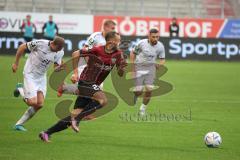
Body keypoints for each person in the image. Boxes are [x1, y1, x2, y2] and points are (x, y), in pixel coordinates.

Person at [39, 31, 126, 142]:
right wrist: (75, 73)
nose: (119, 43)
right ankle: (77, 120)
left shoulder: (118, 54)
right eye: (118, 41)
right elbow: (76, 53)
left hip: (93, 86)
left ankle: (46, 133)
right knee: (103, 101)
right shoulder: (97, 50)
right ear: (110, 41)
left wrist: (121, 68)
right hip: (86, 82)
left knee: (75, 114)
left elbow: (120, 73)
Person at [12, 36, 65, 131]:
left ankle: (18, 125)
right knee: (32, 102)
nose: (58, 51)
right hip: (30, 74)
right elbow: (22, 47)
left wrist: (59, 68)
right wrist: (16, 63)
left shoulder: (60, 52)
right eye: (58, 49)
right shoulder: (40, 43)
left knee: (39, 104)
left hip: (41, 77)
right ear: (54, 44)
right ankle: (20, 89)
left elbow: (55, 67)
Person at [58, 19, 117, 97]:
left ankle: (64, 88)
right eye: (112, 28)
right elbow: (84, 50)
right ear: (105, 27)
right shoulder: (96, 36)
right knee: (92, 93)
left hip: (98, 68)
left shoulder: (112, 40)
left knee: (94, 91)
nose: (114, 30)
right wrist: (78, 72)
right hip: (85, 65)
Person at [130, 28, 165, 116]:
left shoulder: (160, 46)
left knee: (149, 90)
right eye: (153, 37)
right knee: (139, 91)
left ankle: (142, 109)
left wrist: (160, 64)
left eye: (157, 37)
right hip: (139, 67)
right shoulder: (141, 43)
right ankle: (136, 95)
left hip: (150, 69)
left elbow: (162, 59)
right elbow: (133, 53)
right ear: (149, 36)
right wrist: (132, 66)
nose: (155, 39)